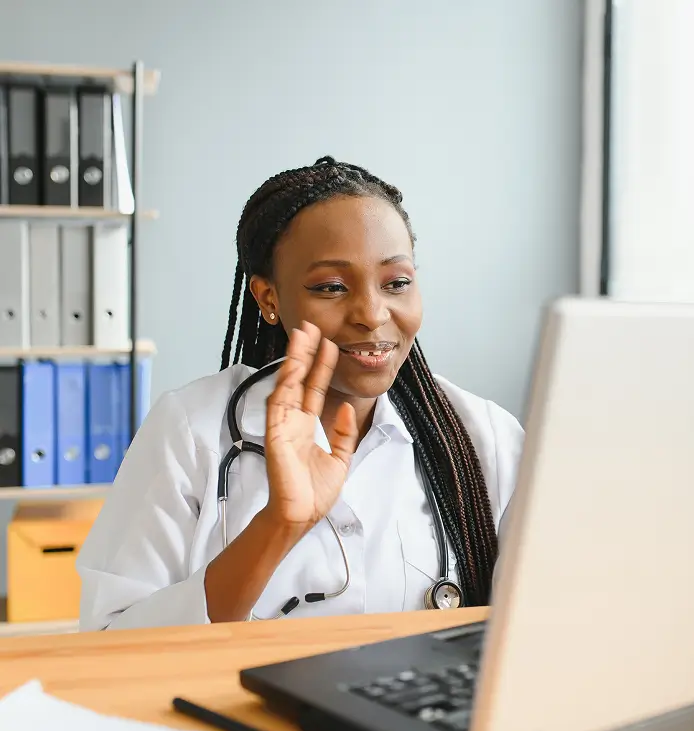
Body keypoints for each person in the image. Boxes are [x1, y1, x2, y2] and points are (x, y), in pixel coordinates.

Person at [76, 156, 525, 631]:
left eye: (397, 283)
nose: (372, 314)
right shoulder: (192, 431)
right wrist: (278, 525)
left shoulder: (484, 436)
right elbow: (110, 638)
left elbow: (544, 619)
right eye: (331, 287)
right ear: (269, 298)